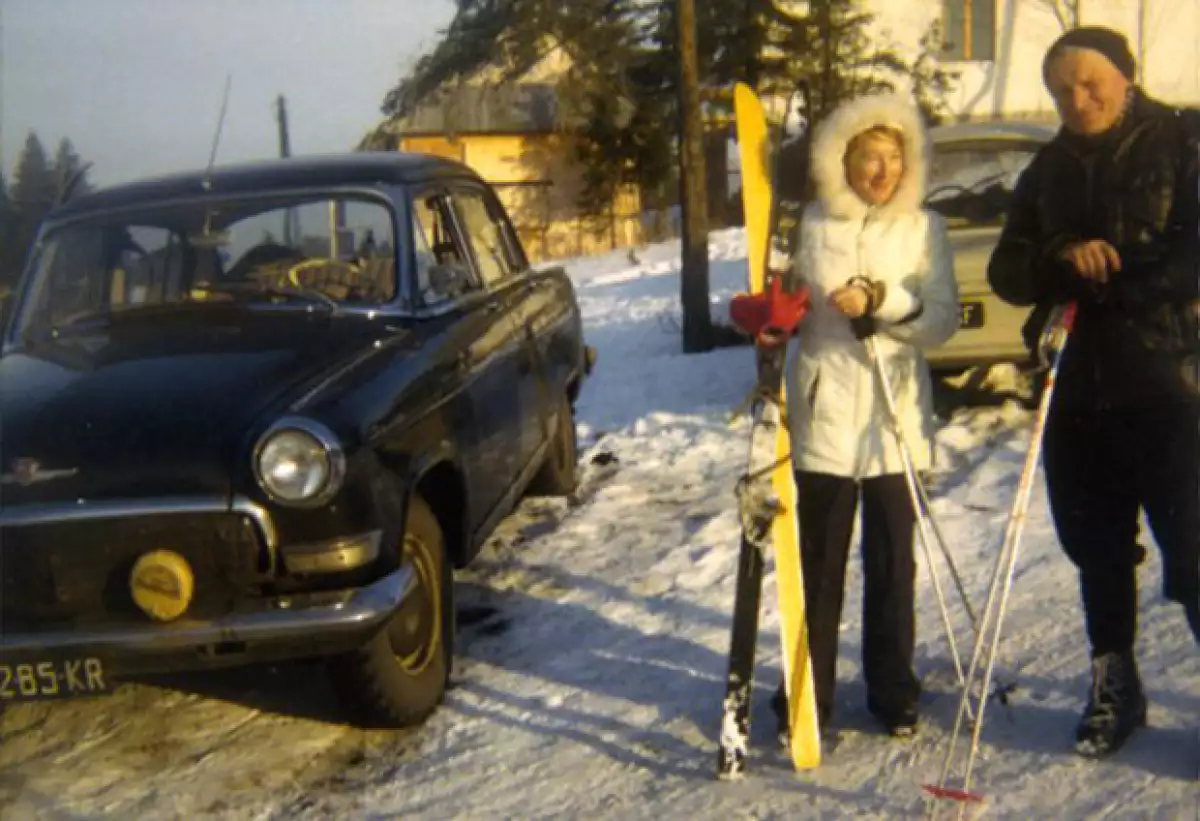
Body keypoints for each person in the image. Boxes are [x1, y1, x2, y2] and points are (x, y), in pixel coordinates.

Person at [986, 25, 1200, 759]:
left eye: (1090, 84)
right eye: (1061, 90)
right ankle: (1116, 683)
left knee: (1195, 549)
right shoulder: (1046, 168)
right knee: (1096, 549)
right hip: (1076, 389)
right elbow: (1007, 269)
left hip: (1174, 383)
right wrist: (1057, 254)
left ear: (1124, 76)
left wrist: (1116, 275)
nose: (1077, 100)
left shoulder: (1183, 139)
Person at [772, 92, 960, 741]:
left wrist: (883, 299)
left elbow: (941, 320)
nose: (880, 170)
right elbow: (781, 297)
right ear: (840, 161)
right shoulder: (810, 224)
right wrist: (770, 316)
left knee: (891, 564)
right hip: (824, 411)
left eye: (892, 156)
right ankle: (807, 694)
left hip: (893, 415)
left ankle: (893, 690)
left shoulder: (923, 228)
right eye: (866, 156)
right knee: (818, 564)